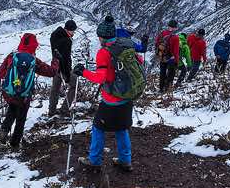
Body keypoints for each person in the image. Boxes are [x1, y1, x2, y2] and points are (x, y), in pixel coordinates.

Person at [74, 15, 143, 172]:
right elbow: (140, 62)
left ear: (101, 37)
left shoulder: (104, 52)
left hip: (111, 99)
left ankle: (95, 160)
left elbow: (101, 78)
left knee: (98, 127)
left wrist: (83, 72)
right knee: (122, 128)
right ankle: (125, 160)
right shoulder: (126, 45)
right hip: (127, 95)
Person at [0, 33, 59, 151]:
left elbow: (0, 74)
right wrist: (55, 60)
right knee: (21, 118)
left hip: (10, 93)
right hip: (25, 95)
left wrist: (13, 79)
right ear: (34, 46)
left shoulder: (12, 56)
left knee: (11, 111)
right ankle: (14, 144)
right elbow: (51, 72)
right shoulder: (34, 60)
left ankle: (3, 137)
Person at [48, 19, 78, 116]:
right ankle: (64, 109)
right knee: (74, 84)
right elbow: (65, 58)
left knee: (55, 89)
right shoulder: (66, 41)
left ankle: (51, 111)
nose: (73, 33)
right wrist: (68, 75)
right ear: (69, 30)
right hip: (63, 68)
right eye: (73, 31)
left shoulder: (54, 35)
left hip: (55, 66)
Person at [154, 19, 180, 93]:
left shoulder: (162, 33)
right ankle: (168, 88)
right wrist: (177, 60)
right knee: (171, 73)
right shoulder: (175, 37)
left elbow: (156, 43)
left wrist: (159, 53)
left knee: (162, 72)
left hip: (162, 56)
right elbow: (176, 51)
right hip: (171, 58)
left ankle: (161, 89)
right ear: (175, 27)